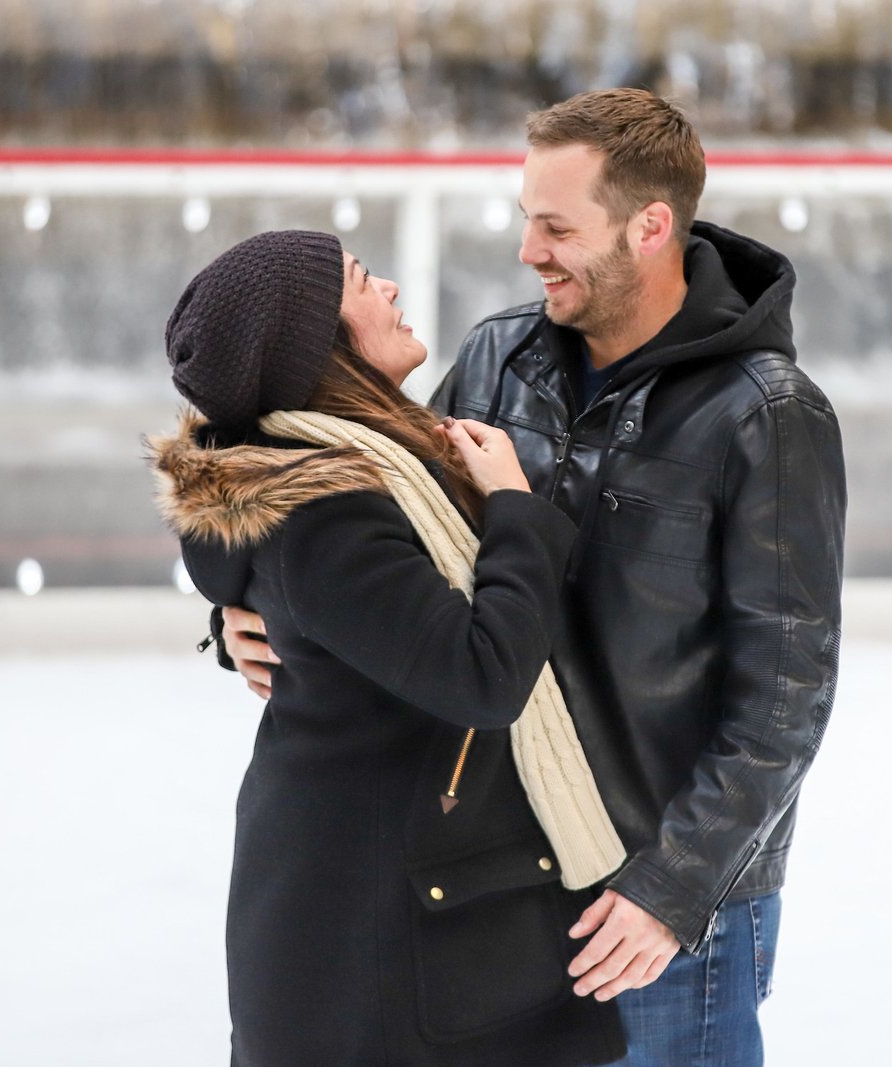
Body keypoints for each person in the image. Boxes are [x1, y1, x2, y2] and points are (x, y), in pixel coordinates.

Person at [222, 88, 846, 1066]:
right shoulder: (497, 357)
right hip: (509, 885)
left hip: (661, 914)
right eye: (526, 220)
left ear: (649, 227)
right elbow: (364, 520)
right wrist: (241, 610)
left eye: (555, 226)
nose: (528, 250)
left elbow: (785, 697)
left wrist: (671, 890)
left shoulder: (764, 416)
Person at [150, 229, 626, 1066]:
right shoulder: (330, 506)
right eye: (365, 283)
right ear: (321, 346)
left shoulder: (341, 470)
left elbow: (342, 621)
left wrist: (245, 626)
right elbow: (481, 676)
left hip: (379, 919)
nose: (394, 289)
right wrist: (515, 510)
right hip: (377, 955)